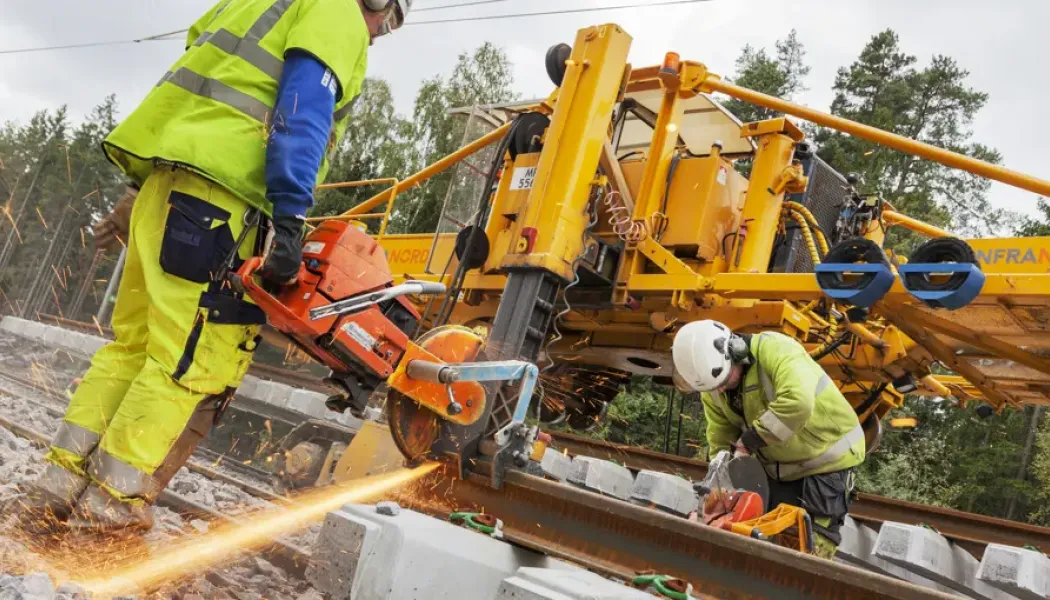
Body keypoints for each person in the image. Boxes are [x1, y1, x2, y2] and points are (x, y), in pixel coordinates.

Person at [17, 0, 413, 534]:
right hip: (221, 199)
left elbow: (194, 91)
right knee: (189, 359)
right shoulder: (336, 12)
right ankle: (109, 507)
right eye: (388, 21)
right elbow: (303, 112)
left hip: (165, 184)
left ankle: (57, 485)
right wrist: (291, 219)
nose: (380, 35)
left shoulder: (252, 4)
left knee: (134, 347)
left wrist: (136, 190)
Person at [672, 320, 865, 557]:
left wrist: (750, 441)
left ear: (736, 351)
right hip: (778, 467)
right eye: (715, 386)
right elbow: (720, 437)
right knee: (763, 543)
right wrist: (718, 488)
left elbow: (798, 403)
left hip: (826, 463)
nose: (720, 391)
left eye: (723, 382)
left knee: (809, 550)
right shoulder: (712, 386)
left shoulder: (777, 349)